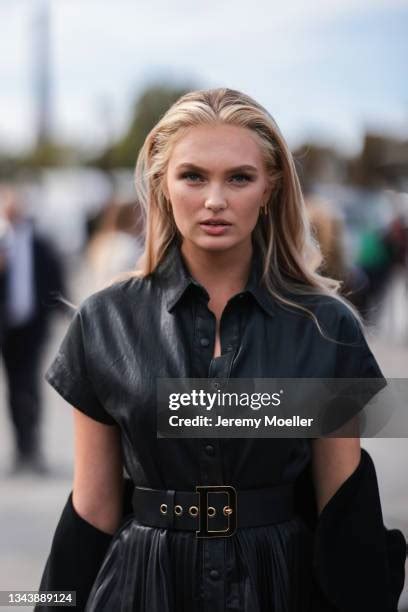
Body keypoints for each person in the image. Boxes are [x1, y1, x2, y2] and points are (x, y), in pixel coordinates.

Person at [36, 88, 406, 612]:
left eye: (238, 177)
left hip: (280, 583)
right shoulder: (104, 321)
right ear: (163, 184)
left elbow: (342, 508)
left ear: (270, 187)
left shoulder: (326, 327)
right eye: (193, 176)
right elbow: (92, 507)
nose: (215, 200)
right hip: (139, 587)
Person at [0, 185, 66, 475]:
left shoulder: (40, 242)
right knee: (13, 391)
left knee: (29, 388)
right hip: (5, 327)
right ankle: (19, 447)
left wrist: (59, 310)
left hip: (32, 327)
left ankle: (32, 448)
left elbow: (55, 279)